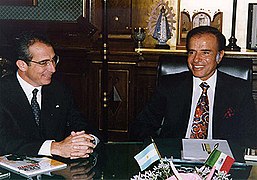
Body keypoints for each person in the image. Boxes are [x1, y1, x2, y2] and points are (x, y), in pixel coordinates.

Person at [131, 26, 257, 146]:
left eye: (205, 53)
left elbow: (250, 135)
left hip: (219, 160)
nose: (196, 59)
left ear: (220, 56)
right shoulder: (170, 86)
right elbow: (142, 126)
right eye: (192, 52)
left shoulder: (238, 90)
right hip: (175, 157)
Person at [0, 32, 100, 158]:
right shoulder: (3, 92)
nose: (53, 69)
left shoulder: (59, 90)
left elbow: (81, 123)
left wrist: (86, 141)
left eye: (53, 60)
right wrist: (54, 147)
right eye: (44, 63)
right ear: (22, 65)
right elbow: (4, 142)